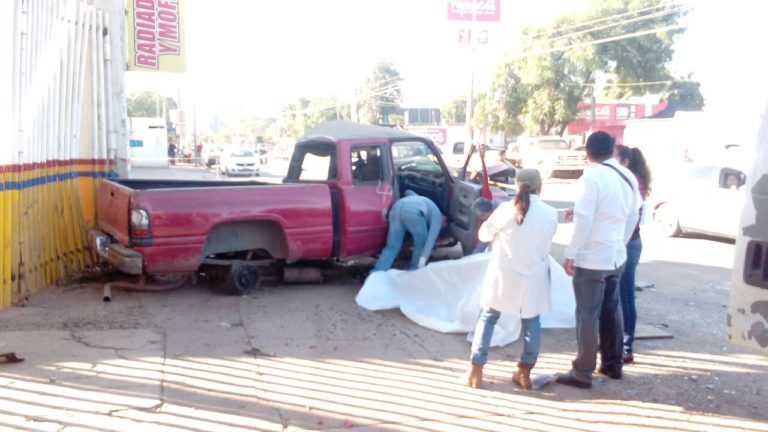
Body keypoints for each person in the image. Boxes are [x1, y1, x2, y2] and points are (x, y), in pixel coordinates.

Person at [556, 131, 640, 389]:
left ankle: (582, 371)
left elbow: (584, 218)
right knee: (611, 309)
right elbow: (632, 216)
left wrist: (570, 253)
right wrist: (620, 244)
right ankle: (613, 364)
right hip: (616, 256)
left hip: (592, 258)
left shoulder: (591, 176)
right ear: (613, 149)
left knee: (587, 314)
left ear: (587, 153)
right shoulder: (628, 176)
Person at [462, 169, 558, 389]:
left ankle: (475, 371)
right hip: (534, 276)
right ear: (539, 188)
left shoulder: (506, 209)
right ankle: (524, 371)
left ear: (517, 186)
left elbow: (483, 235)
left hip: (504, 274)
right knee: (532, 322)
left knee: (488, 317)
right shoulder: (550, 213)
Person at [614, 145, 652, 364]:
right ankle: (619, 343)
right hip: (628, 241)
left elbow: (630, 218)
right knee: (619, 295)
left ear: (626, 161)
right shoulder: (633, 178)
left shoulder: (631, 181)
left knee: (625, 295)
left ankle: (626, 347)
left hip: (628, 242)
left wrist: (620, 242)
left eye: (615, 158)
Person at [372, 190, 443, 272]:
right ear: (444, 218)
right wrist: (423, 260)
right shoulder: (438, 217)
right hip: (411, 212)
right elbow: (430, 240)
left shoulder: (419, 198)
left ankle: (376, 271)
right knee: (421, 242)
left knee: (393, 245)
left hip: (397, 207)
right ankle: (415, 270)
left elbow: (407, 191)